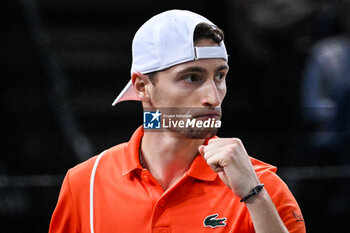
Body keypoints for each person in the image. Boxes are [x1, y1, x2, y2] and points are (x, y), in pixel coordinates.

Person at [49, 10, 305, 233]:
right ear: (142, 87)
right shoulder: (86, 183)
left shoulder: (262, 186)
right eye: (192, 78)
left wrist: (254, 198)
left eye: (220, 76)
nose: (212, 97)